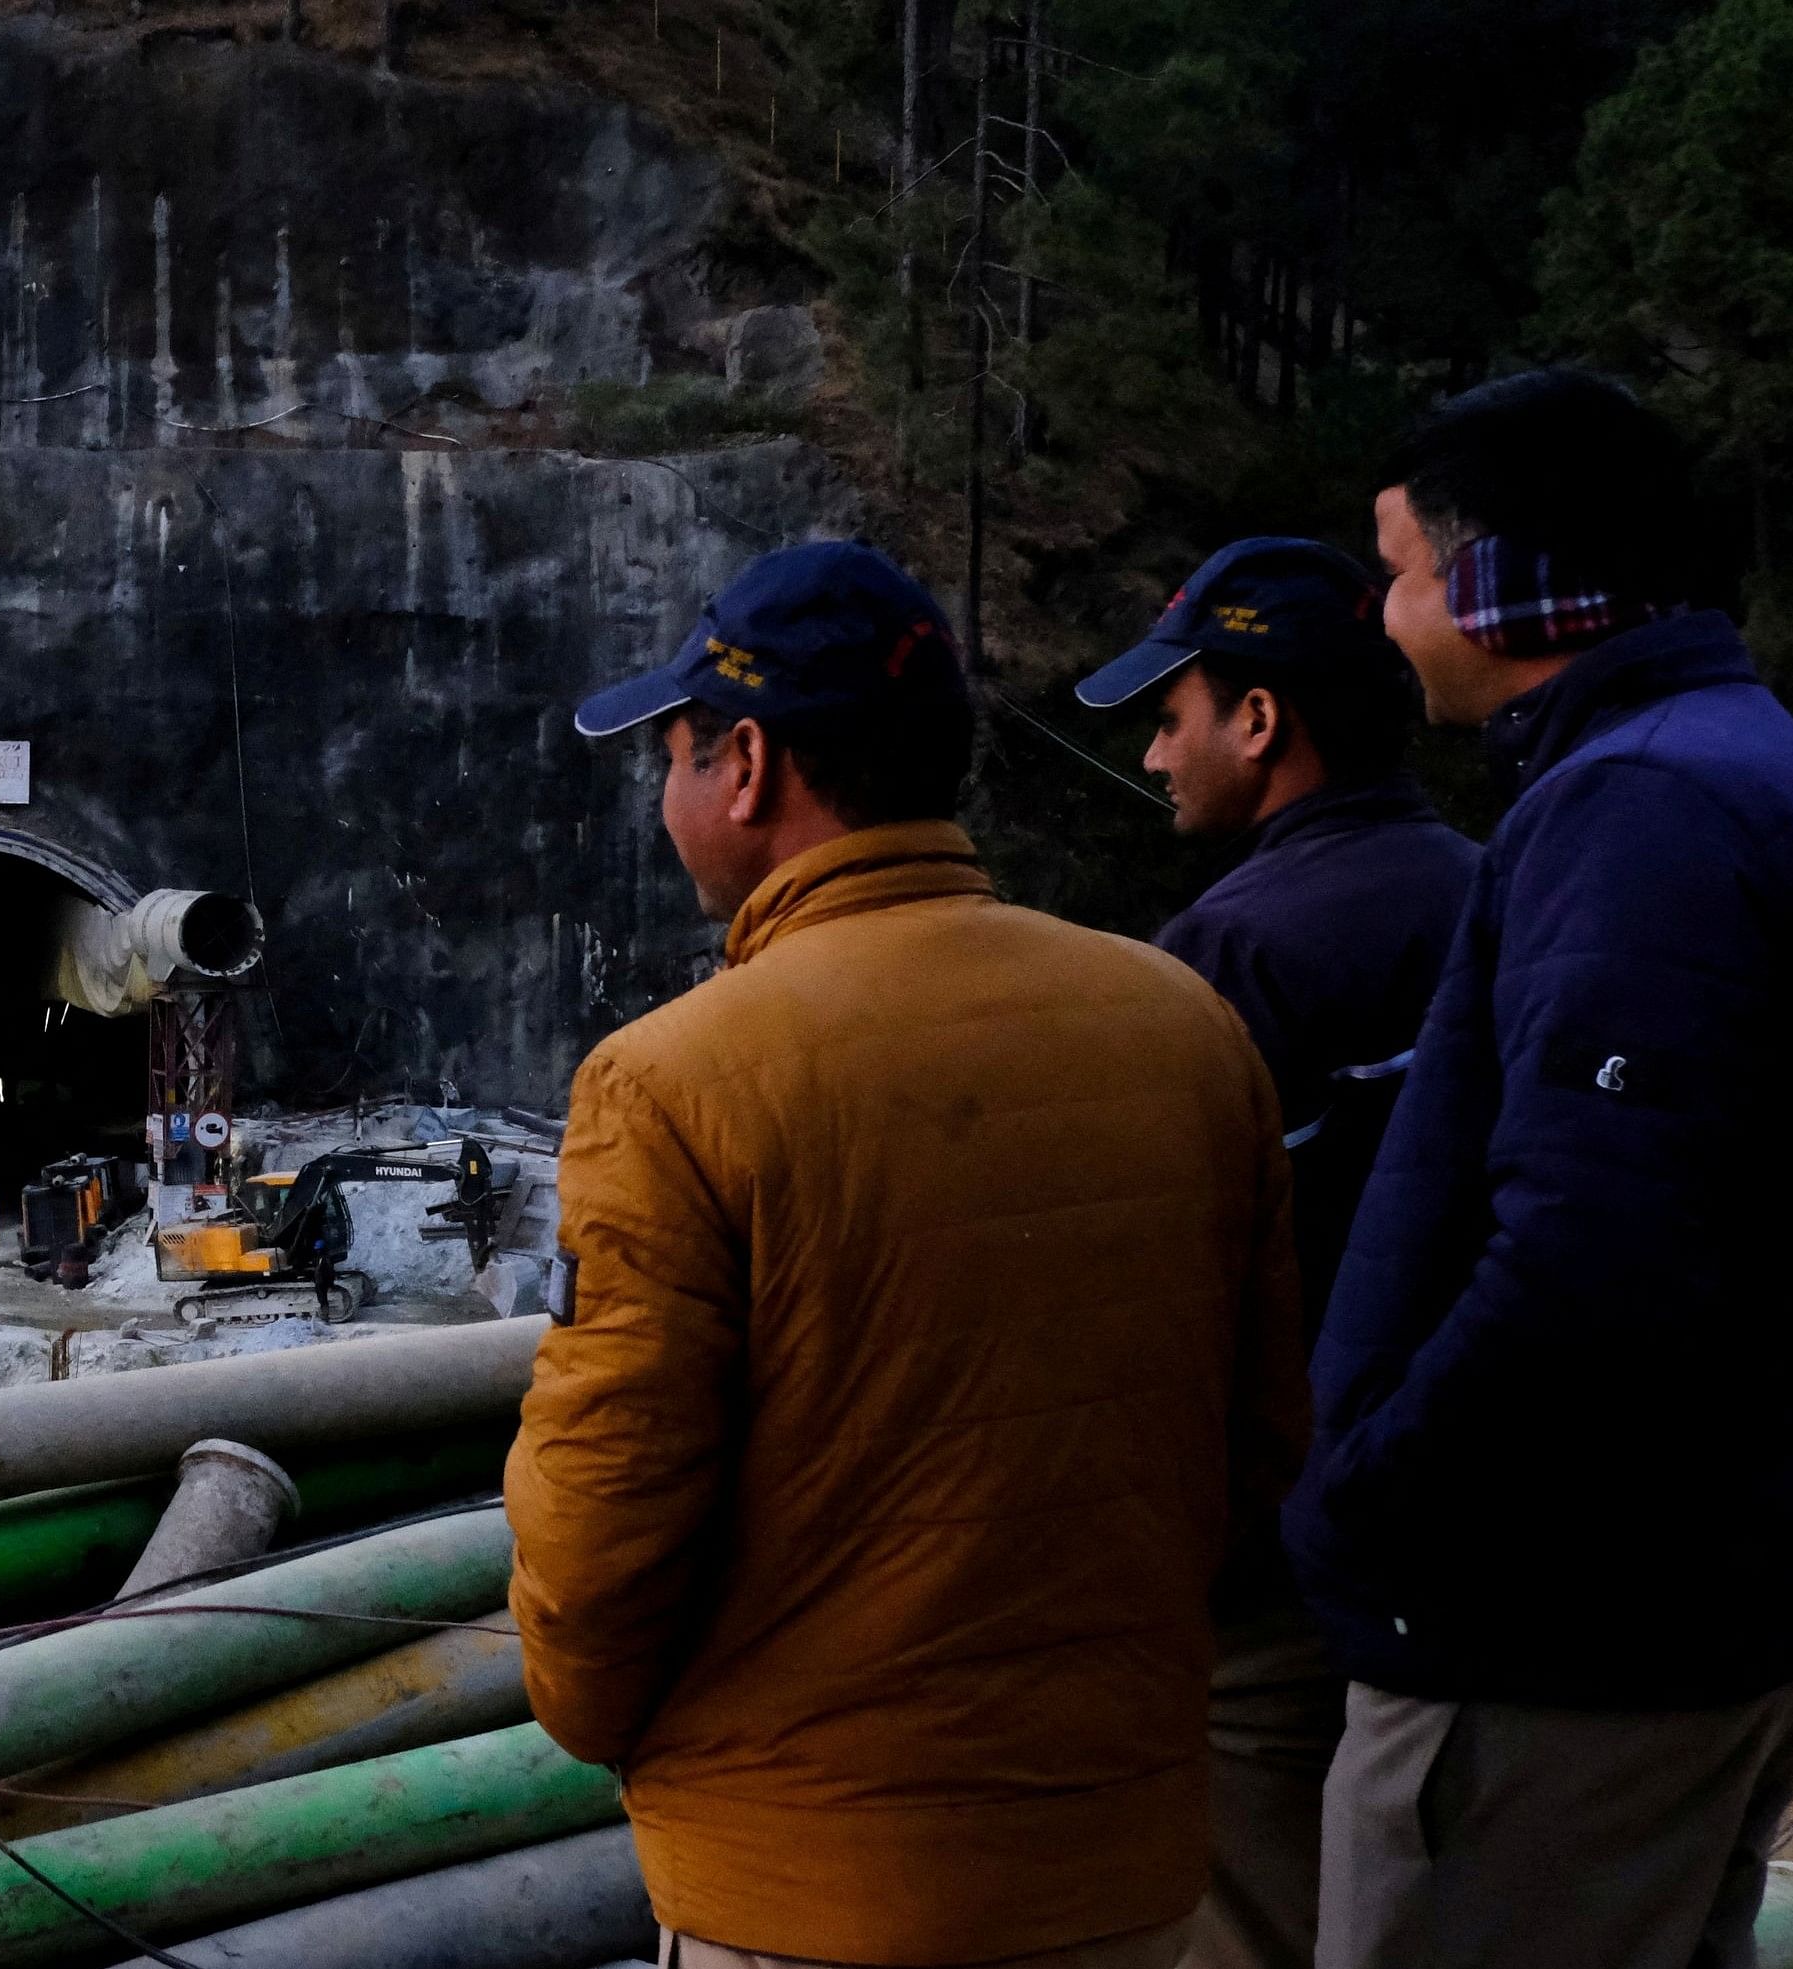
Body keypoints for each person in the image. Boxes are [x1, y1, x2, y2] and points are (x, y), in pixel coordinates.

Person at [508, 540, 1308, 1969]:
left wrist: (606, 1721)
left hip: (818, 1886)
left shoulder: (670, 1083)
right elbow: (1253, 1455)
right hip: (1121, 1870)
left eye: (676, 755)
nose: (668, 794)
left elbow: (603, 1515)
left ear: (746, 766)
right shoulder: (1182, 1023)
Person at [1291, 369, 1793, 1969]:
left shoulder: (1643, 810)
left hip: (1554, 1656)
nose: (1385, 608)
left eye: (1405, 565)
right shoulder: (1697, 760)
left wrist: (1366, 1492)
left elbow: (1587, 1261)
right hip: (1657, 1602)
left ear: (1502, 585)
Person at [1073, 539, 1481, 1969]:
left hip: (1278, 1562)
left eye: (1174, 711)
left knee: (1253, 1919)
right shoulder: (1486, 888)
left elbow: (1160, 1283)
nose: (1153, 748)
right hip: (1459, 1518)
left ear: (1261, 722)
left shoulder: (1235, 950)